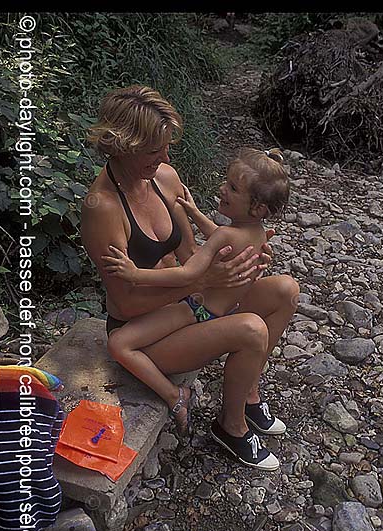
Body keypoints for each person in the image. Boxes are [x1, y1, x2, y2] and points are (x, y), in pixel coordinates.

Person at [81, 85, 300, 470]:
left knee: (285, 289)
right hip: (148, 328)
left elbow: (190, 255)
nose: (166, 158)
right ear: (122, 145)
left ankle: (248, 395)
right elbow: (128, 300)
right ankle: (230, 429)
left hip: (191, 304)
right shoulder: (103, 207)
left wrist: (242, 261)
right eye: (154, 150)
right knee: (251, 329)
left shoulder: (163, 177)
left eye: (167, 147)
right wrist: (203, 283)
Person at [101, 147, 288, 445]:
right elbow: (219, 234)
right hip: (213, 311)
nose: (222, 189)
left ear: (257, 208)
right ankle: (245, 397)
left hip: (193, 310)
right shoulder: (257, 232)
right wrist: (194, 212)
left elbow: (188, 275)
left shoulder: (228, 236)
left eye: (232, 188)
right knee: (288, 286)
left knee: (120, 343)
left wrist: (134, 273)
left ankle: (176, 397)